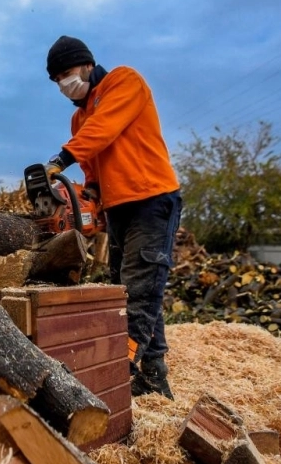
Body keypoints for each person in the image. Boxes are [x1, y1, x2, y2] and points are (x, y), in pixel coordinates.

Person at [42, 36, 182, 399]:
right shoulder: (78, 118)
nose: (63, 83)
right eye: (56, 79)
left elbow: (102, 130)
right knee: (133, 291)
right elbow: (92, 168)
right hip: (117, 207)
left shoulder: (123, 81)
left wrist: (59, 161)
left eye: (67, 73)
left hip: (152, 198)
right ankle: (154, 379)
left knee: (139, 291)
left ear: (88, 65)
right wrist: (87, 195)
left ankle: (116, 375)